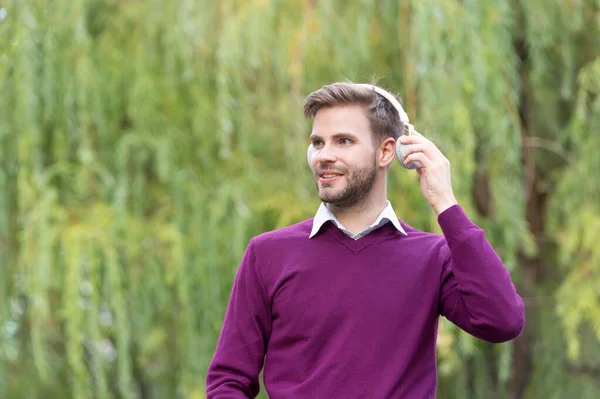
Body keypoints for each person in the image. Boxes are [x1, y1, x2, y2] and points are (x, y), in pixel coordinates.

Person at [205, 82, 525, 398]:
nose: (324, 156)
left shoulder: (432, 256)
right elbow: (228, 380)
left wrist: (445, 203)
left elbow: (502, 321)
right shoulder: (267, 254)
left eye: (343, 141)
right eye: (318, 142)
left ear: (387, 151)